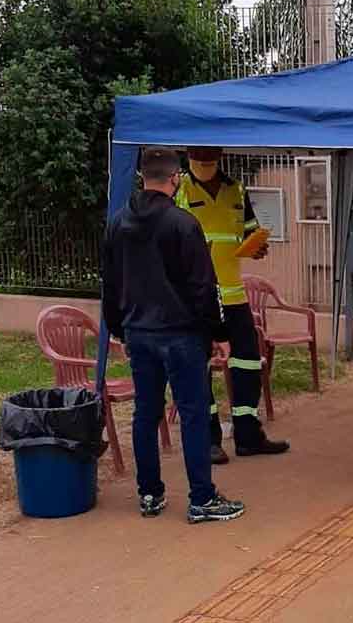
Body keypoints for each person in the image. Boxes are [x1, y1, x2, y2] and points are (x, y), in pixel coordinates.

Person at [102, 147, 245, 523]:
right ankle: (202, 498)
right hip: (182, 335)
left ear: (142, 177)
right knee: (194, 414)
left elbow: (110, 283)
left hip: (139, 332)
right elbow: (203, 285)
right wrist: (218, 332)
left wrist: (119, 327)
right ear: (176, 178)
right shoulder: (183, 223)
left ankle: (149, 494)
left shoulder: (118, 223)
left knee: (146, 414)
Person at [176, 146, 289, 462]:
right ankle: (209, 438)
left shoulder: (235, 189)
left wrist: (256, 248)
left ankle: (247, 434)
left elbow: (249, 232)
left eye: (211, 157)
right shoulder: (180, 190)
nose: (206, 163)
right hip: (197, 297)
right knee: (200, 365)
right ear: (188, 157)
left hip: (233, 293)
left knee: (249, 361)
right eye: (200, 157)